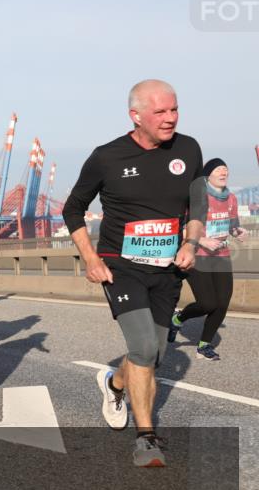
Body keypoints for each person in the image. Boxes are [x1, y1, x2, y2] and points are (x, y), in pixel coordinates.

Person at [62, 79, 205, 468]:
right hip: (121, 267)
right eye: (160, 112)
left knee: (154, 354)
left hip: (167, 270)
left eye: (174, 110)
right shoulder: (107, 157)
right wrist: (91, 258)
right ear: (136, 115)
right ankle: (146, 438)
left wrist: (190, 244)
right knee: (143, 348)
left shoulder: (188, 149)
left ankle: (114, 383)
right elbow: (73, 208)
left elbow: (197, 203)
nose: (170, 118)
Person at [168, 158, 247, 360]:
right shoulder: (197, 197)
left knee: (222, 303)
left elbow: (232, 225)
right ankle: (178, 319)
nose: (224, 173)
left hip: (221, 256)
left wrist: (238, 232)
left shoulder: (231, 198)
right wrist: (202, 240)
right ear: (207, 175)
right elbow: (183, 227)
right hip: (197, 256)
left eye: (226, 170)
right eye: (219, 169)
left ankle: (204, 345)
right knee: (207, 304)